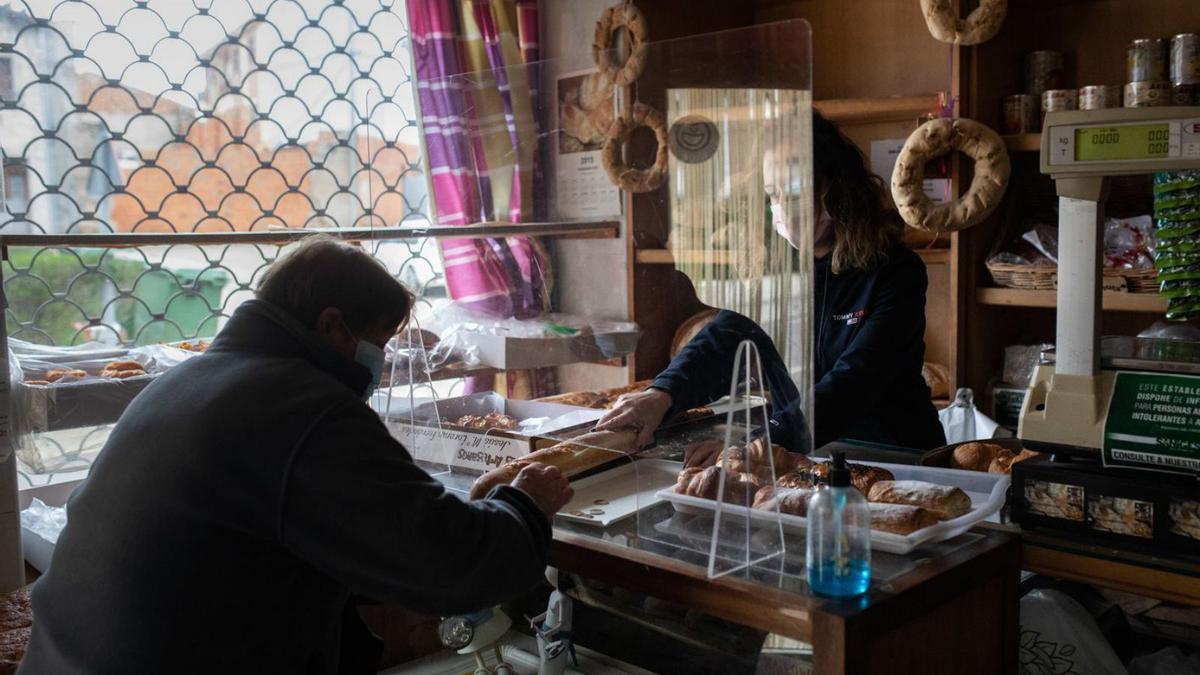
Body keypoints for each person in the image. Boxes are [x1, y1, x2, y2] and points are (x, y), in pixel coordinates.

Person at [20, 237, 574, 675]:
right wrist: (522, 507)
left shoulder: (183, 382)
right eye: (380, 341)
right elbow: (450, 563)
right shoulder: (304, 409)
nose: (381, 361)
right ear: (333, 326)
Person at [598, 111, 946, 458]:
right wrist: (662, 394)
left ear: (836, 186)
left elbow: (855, 381)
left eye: (793, 189)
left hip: (896, 458)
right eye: (772, 193)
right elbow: (723, 339)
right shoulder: (779, 273)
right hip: (807, 457)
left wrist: (760, 443)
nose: (780, 205)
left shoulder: (896, 272)